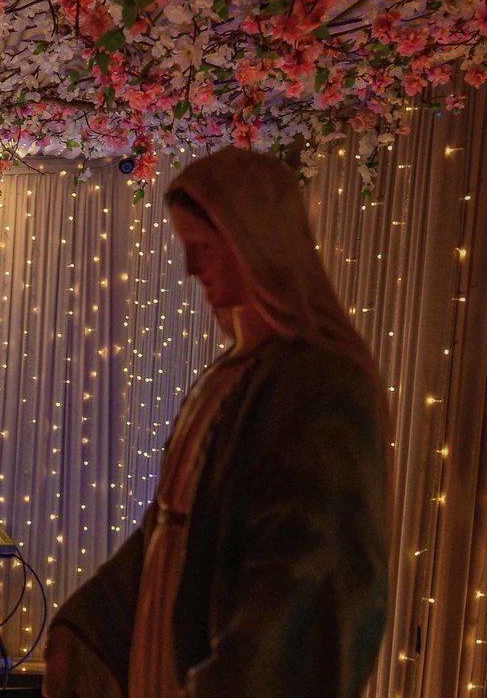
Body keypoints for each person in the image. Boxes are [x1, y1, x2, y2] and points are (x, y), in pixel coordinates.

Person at [43, 147, 390, 698]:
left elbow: (307, 572)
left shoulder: (317, 383)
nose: (191, 269)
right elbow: (168, 526)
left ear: (255, 243)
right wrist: (88, 623)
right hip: (168, 640)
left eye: (204, 248)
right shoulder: (229, 376)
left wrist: (231, 677)